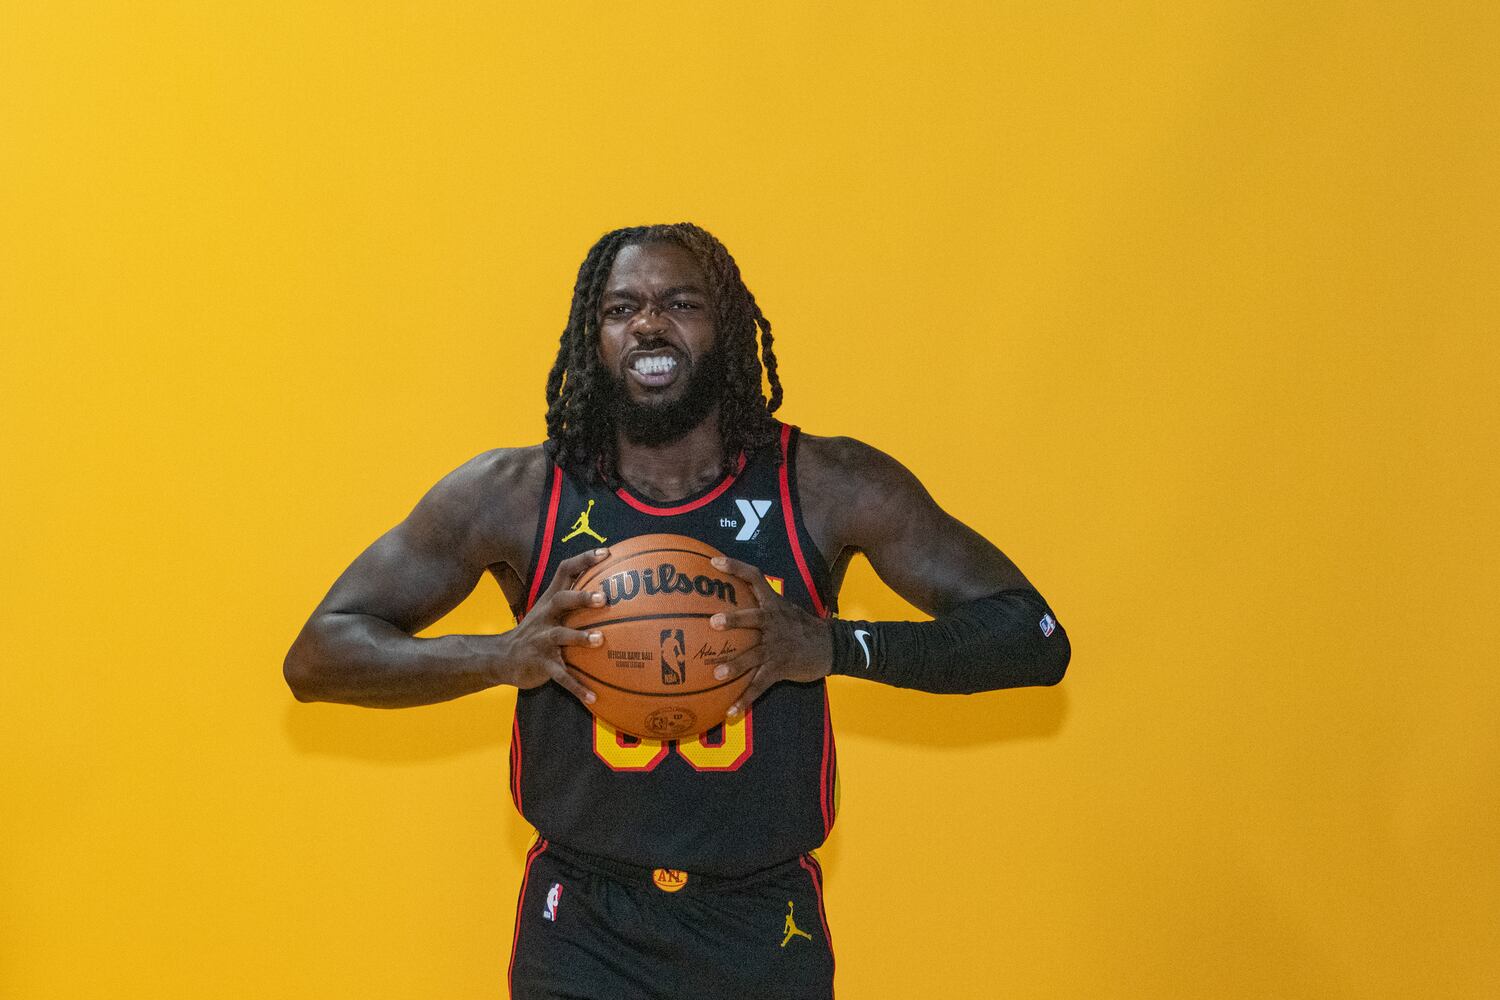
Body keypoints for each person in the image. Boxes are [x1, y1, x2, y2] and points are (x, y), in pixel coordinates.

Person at [283, 222, 1071, 1000]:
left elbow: (1032, 635)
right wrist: (499, 655)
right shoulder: (516, 494)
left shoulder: (826, 484)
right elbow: (318, 654)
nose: (649, 324)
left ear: (725, 328)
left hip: (762, 925)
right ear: (593, 337)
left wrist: (834, 645)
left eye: (681, 303)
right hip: (582, 927)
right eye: (621, 308)